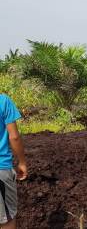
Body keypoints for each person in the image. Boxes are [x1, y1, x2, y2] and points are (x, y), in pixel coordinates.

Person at [0, 94, 27, 229]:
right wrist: (22, 162)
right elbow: (14, 137)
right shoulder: (3, 101)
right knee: (6, 220)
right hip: (1, 169)